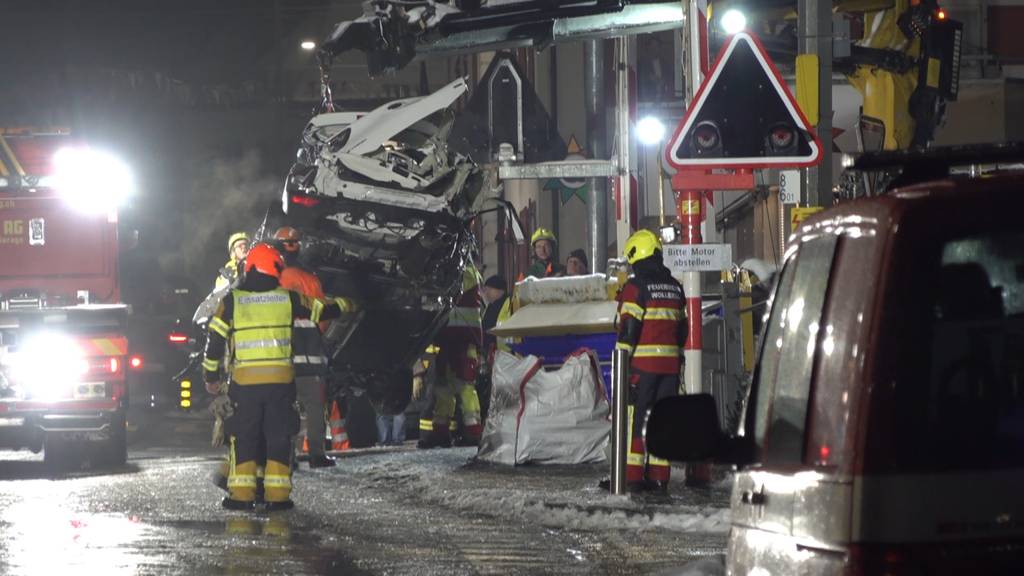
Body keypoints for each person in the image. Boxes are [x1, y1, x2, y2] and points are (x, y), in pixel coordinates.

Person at [203, 243, 355, 511]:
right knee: (278, 437)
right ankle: (277, 497)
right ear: (275, 268)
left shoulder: (231, 301)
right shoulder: (288, 298)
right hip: (280, 385)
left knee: (245, 437)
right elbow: (321, 310)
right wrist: (348, 304)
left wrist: (211, 377)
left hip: (245, 386)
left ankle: (240, 496)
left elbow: (214, 341)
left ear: (249, 268)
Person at [614, 229, 688, 493]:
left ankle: (632, 477)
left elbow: (629, 330)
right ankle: (659, 478)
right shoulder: (675, 287)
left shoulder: (636, 287)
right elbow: (682, 331)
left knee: (637, 418)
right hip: (670, 368)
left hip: (642, 368)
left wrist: (621, 363)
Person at [273, 226, 335, 469]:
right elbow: (324, 318)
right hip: (311, 355)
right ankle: (317, 455)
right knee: (314, 407)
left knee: (284, 407)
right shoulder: (311, 279)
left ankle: (286, 457)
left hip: (284, 357)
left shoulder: (274, 279)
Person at [417, 264, 485, 449]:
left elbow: (449, 288)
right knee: (443, 387)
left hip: (464, 339)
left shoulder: (467, 270)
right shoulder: (450, 269)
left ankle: (473, 432)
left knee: (464, 386)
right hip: (447, 338)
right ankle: (440, 432)